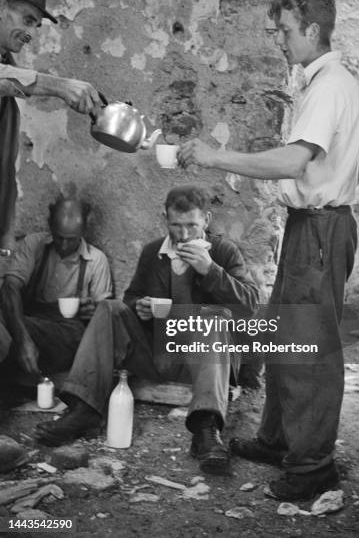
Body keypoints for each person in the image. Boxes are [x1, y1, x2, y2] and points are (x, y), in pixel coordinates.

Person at [178, 0, 359, 500]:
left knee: (310, 349)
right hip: (316, 223)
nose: (278, 39)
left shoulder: (329, 86)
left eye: (283, 30)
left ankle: (312, 468)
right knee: (286, 336)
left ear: (310, 29)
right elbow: (346, 161)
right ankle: (278, 439)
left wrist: (216, 156)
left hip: (322, 227)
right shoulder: (320, 83)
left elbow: (292, 160)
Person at [35, 185, 259, 475]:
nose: (184, 234)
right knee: (109, 308)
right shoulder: (154, 252)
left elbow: (250, 305)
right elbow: (130, 298)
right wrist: (139, 306)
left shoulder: (224, 251)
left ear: (206, 219)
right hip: (156, 353)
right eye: (175, 225)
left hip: (202, 363)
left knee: (214, 319)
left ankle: (206, 430)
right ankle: (84, 409)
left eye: (192, 225)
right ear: (165, 219)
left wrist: (210, 270)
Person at [0, 0, 101, 248]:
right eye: (27, 20)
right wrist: (60, 86)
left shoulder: (6, 61)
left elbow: (12, 82)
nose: (32, 34)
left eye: (37, 26)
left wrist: (5, 232)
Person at [0, 197, 113, 378]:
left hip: (65, 335)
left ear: (84, 230)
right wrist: (23, 339)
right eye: (59, 237)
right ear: (50, 226)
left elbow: (107, 319)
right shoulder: (34, 244)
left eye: (71, 240)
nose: (64, 245)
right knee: (7, 316)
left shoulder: (97, 260)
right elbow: (9, 288)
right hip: (29, 324)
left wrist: (93, 310)